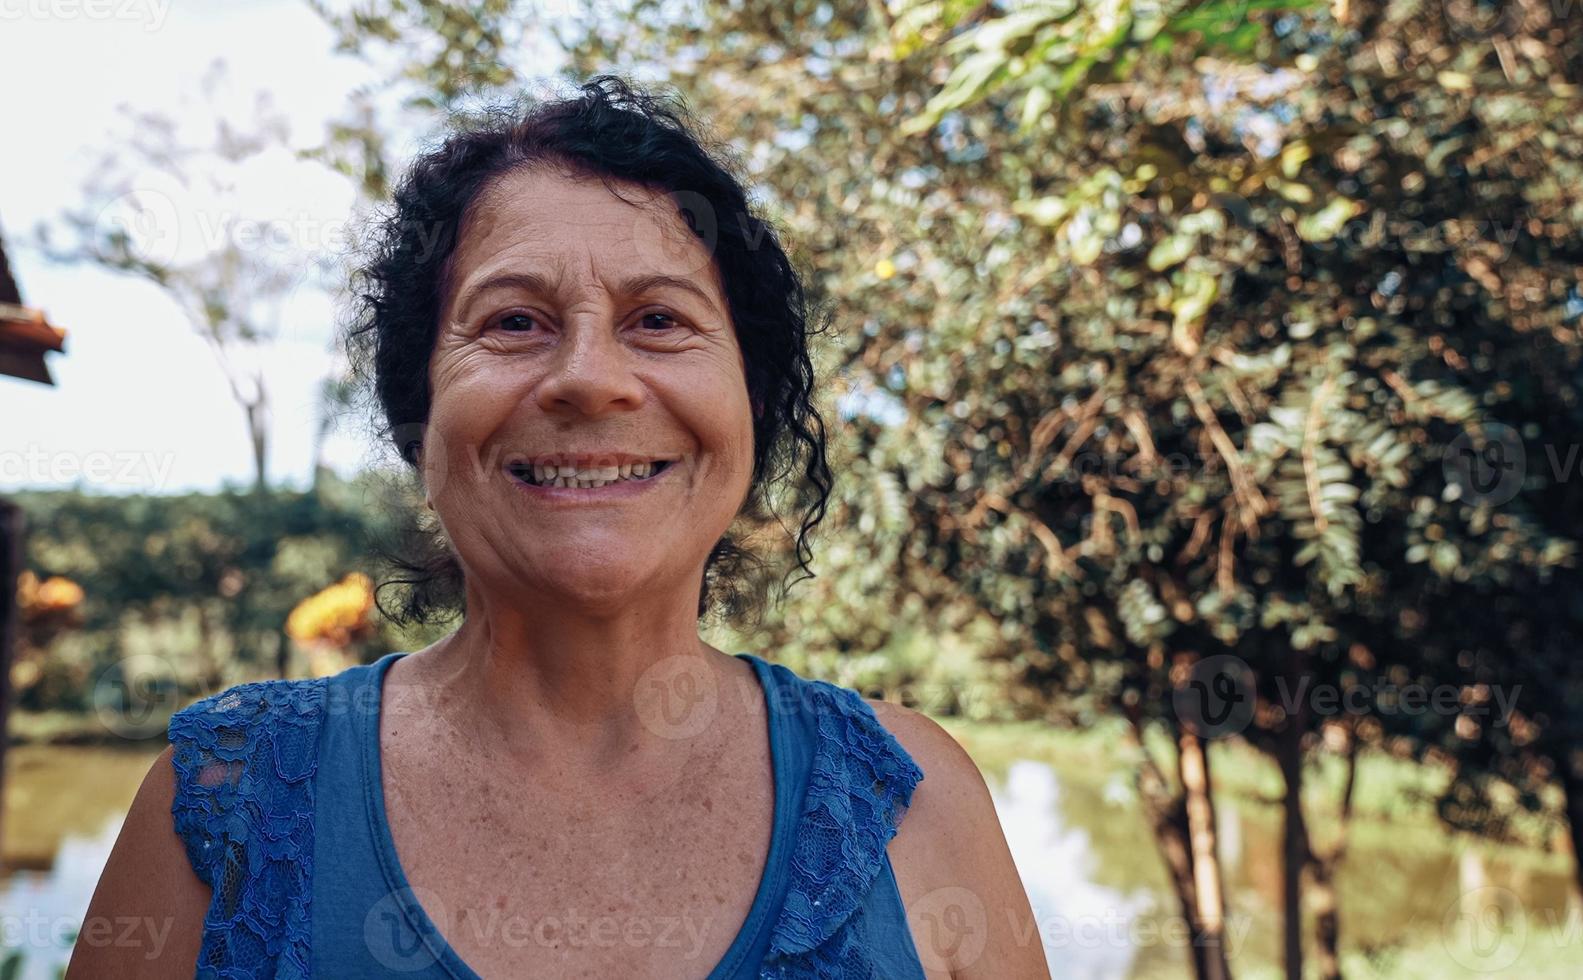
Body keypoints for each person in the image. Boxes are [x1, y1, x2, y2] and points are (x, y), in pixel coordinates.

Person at [67, 74, 1051, 979]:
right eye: (513, 321)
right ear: (423, 411)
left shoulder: (915, 806)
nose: (588, 377)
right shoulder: (220, 807)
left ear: (747, 404)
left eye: (659, 320)